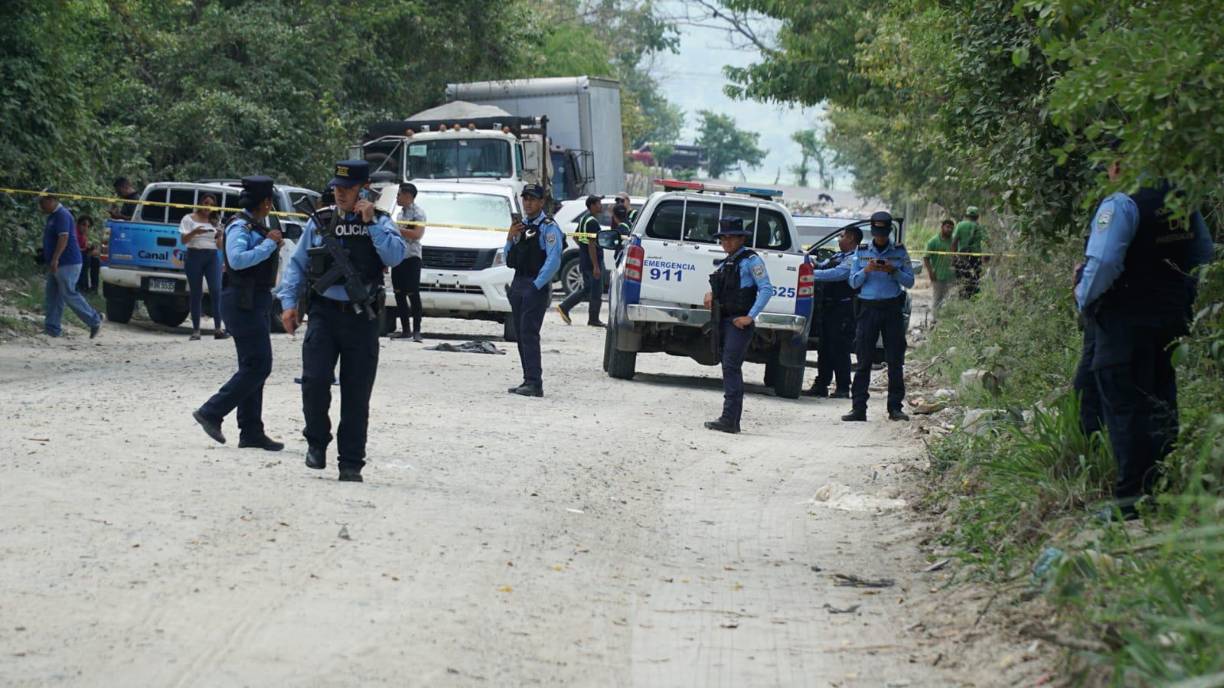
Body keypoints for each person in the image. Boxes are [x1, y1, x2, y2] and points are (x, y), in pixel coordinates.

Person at [1076, 162, 1213, 520]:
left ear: (1120, 165)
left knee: (1124, 408)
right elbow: (1204, 256)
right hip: (1170, 321)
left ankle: (1129, 502)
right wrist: (1181, 296)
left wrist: (1083, 296)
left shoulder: (1121, 204)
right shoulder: (1183, 201)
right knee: (1162, 401)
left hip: (1124, 323)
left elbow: (1104, 262)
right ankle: (1163, 490)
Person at [278, 160, 406, 482]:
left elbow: (395, 256)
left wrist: (371, 224)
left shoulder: (380, 220)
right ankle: (317, 442)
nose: (340, 194)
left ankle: (351, 462)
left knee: (356, 393)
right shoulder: (320, 220)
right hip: (323, 314)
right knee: (315, 381)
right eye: (337, 187)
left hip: (362, 319)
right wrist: (289, 304)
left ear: (363, 190)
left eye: (347, 189)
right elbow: (297, 264)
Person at [192, 177, 284, 451]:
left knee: (252, 366)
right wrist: (268, 245)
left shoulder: (254, 225)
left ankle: (251, 431)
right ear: (266, 203)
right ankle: (211, 411)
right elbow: (237, 259)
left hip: (254, 300)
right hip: (242, 302)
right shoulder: (240, 226)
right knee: (259, 365)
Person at [703, 217, 774, 434]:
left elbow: (766, 289)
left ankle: (730, 419)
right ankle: (730, 419)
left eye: (730, 238)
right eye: (723, 238)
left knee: (731, 366)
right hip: (724, 320)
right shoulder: (728, 262)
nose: (726, 242)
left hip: (738, 323)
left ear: (741, 238)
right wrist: (711, 294)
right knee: (728, 365)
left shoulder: (751, 260)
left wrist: (750, 317)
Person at [843, 211, 914, 422]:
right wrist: (867, 270)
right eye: (877, 233)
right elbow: (852, 282)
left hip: (891, 309)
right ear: (873, 232)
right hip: (868, 309)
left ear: (888, 231)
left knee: (894, 360)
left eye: (883, 233)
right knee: (863, 360)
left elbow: (909, 282)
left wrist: (893, 270)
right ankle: (858, 408)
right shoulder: (862, 251)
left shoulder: (899, 252)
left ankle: (895, 407)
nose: (880, 237)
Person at [505, 183, 565, 397]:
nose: (528, 203)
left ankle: (534, 383)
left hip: (534, 285)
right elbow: (508, 259)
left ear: (541, 202)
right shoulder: (521, 226)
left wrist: (536, 285)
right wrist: (510, 237)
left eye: (532, 199)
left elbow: (553, 260)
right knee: (520, 335)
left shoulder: (549, 227)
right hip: (519, 282)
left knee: (529, 334)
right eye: (525, 198)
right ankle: (527, 379)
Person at [804, 225, 862, 398]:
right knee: (825, 347)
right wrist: (810, 262)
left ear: (851, 238)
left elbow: (838, 274)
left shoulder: (855, 258)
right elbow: (824, 266)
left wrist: (811, 275)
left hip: (843, 309)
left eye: (842, 236)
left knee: (839, 348)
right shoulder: (839, 255)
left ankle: (843, 387)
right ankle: (822, 384)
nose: (839, 239)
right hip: (829, 307)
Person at [39, 188, 102, 339]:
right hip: (59, 262)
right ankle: (52, 329)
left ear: (51, 200)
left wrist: (55, 258)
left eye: (42, 202)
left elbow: (63, 238)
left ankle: (94, 320)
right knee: (53, 295)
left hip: (67, 262)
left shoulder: (62, 215)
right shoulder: (53, 216)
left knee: (68, 293)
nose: (41, 206)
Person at [180, 193, 228, 341]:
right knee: (196, 292)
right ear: (200, 203)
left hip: (212, 257)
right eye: (206, 203)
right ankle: (196, 330)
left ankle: (218, 328)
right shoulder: (188, 219)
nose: (208, 207)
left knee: (216, 290)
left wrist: (220, 236)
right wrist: (195, 232)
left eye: (212, 205)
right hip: (194, 255)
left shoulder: (215, 220)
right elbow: (183, 240)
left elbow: (219, 247)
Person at [557, 194, 605, 327]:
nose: (601, 205)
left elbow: (576, 237)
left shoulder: (584, 219)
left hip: (585, 258)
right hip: (592, 261)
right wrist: (596, 265)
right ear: (592, 206)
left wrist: (583, 250)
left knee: (588, 288)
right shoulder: (592, 222)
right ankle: (592, 318)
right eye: (599, 203)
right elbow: (591, 244)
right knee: (595, 290)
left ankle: (566, 307)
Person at [390, 182, 427, 342]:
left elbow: (417, 234)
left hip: (412, 257)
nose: (397, 198)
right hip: (399, 257)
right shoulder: (399, 215)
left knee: (413, 293)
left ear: (408, 196)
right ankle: (405, 330)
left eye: (399, 194)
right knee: (399, 293)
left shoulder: (418, 213)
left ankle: (417, 331)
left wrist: (396, 229)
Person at [924, 219, 956, 317]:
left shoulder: (954, 241)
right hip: (938, 276)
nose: (949, 229)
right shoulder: (933, 241)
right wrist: (930, 273)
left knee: (951, 300)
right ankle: (934, 321)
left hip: (952, 276)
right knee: (937, 300)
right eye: (947, 227)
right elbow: (926, 258)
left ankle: (947, 321)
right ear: (942, 227)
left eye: (951, 228)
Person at [952, 206, 985, 298]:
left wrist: (954, 256)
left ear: (966, 215)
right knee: (975, 279)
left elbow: (954, 242)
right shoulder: (980, 227)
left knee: (962, 278)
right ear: (977, 216)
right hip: (976, 257)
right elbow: (987, 242)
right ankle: (973, 298)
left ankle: (962, 297)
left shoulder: (960, 225)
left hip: (962, 257)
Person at [74, 215, 101, 293]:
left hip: (82, 255)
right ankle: (83, 286)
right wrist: (87, 251)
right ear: (78, 224)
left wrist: (90, 250)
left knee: (95, 260)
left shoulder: (83, 235)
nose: (86, 228)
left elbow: (84, 247)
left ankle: (94, 288)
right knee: (86, 258)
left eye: (88, 226)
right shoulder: (74, 233)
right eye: (83, 225)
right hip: (74, 257)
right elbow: (74, 249)